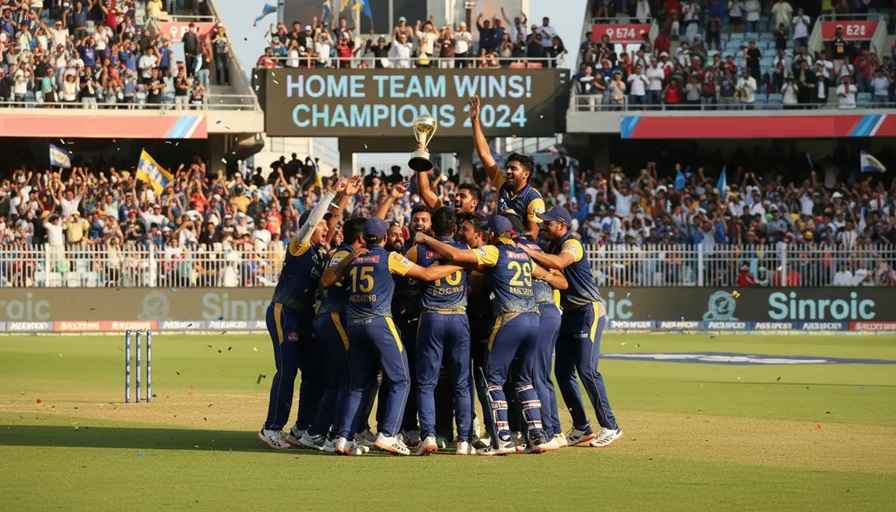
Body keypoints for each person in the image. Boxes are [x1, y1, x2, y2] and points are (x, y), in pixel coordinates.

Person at [414, 215, 553, 454]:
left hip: (510, 319)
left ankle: (504, 439)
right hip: (534, 319)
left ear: (491, 234)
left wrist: (425, 238)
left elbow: (457, 257)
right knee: (524, 380)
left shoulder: (493, 252)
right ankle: (537, 436)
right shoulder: (524, 256)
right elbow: (558, 280)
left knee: (493, 381)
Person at [332, 218, 461, 456]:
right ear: (383, 238)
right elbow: (425, 274)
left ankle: (343, 438)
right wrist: (458, 265)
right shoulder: (390, 257)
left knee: (358, 384)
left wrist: (349, 260)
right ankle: (388, 434)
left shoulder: (354, 258)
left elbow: (328, 279)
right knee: (401, 379)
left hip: (354, 323)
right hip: (379, 321)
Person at [520, 206, 622, 448]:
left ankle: (611, 425)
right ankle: (581, 427)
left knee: (587, 369)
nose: (544, 226)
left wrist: (526, 251)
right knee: (563, 372)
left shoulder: (572, 244)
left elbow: (559, 263)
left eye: (548, 223)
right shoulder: (552, 246)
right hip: (569, 314)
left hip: (589, 310)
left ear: (562, 225)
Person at [258, 183, 340, 450]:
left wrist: (346, 196)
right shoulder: (299, 246)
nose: (326, 229)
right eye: (321, 227)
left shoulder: (319, 252)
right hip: (286, 313)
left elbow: (332, 222)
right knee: (287, 370)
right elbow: (313, 221)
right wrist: (330, 194)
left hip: (304, 319)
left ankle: (301, 428)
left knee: (313, 373)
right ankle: (271, 428)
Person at [405, 207, 475, 455]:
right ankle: (464, 440)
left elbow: (401, 273)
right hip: (458, 316)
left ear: (433, 227)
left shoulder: (419, 250)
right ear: (455, 228)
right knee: (461, 383)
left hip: (431, 317)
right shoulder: (465, 251)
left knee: (426, 382)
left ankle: (429, 437)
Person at [470, 96, 545, 238]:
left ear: (526, 174)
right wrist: (475, 121)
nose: (508, 171)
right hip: (501, 246)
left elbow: (534, 234)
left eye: (514, 169)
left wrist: (508, 235)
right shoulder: (502, 183)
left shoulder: (533, 198)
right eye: (508, 168)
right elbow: (485, 155)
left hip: (522, 252)